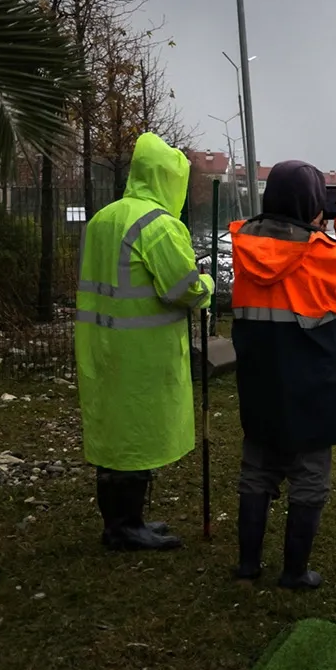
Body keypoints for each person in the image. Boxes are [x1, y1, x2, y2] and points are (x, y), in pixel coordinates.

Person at [228, 160, 336, 589]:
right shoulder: (318, 254)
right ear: (313, 204)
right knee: (309, 477)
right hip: (309, 389)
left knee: (256, 469)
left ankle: (247, 565)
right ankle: (293, 572)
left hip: (259, 383)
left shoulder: (244, 245)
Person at [75, 132, 213, 551]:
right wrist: (206, 283)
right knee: (136, 434)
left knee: (113, 434)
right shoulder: (159, 226)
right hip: (142, 352)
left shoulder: (104, 217)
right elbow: (183, 289)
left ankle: (121, 521)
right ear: (170, 180)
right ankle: (126, 527)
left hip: (101, 344)